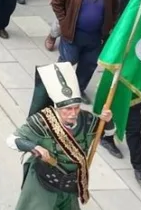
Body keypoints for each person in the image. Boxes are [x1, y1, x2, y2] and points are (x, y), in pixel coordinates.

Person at [7, 62, 112, 209]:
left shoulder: (87, 120)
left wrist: (108, 120)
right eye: (67, 109)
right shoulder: (42, 121)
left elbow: (109, 133)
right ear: (57, 108)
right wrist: (35, 148)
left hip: (69, 187)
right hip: (43, 184)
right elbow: (12, 140)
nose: (73, 113)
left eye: (76, 108)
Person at [99, 11, 141, 186]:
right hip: (130, 91)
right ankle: (140, 168)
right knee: (134, 128)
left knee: (118, 115)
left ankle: (105, 135)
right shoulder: (133, 40)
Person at [51, 0, 120, 93]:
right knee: (67, 61)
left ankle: (78, 90)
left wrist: (110, 25)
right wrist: (64, 21)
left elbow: (115, 9)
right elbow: (56, 2)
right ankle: (58, 88)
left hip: (95, 37)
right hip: (73, 34)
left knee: (88, 65)